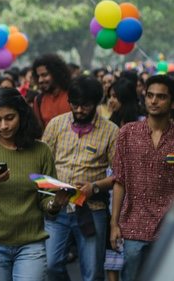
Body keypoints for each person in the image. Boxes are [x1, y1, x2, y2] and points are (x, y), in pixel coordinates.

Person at [0, 87, 69, 281]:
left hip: (31, 243)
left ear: (22, 115)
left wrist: (55, 203)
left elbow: (45, 201)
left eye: (10, 117)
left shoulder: (41, 151)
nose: (4, 126)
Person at [41, 76, 119, 281]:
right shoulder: (56, 125)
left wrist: (93, 187)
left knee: (93, 273)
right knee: (50, 265)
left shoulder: (111, 131)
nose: (79, 110)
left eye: (85, 106)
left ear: (96, 103)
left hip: (92, 209)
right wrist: (50, 187)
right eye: (74, 105)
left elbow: (121, 175)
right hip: (58, 207)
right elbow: (41, 163)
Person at [110, 75, 174, 281]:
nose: (154, 101)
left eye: (161, 97)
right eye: (150, 95)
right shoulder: (127, 133)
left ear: (172, 102)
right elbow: (119, 181)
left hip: (168, 227)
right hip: (133, 224)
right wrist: (114, 223)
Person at [105, 78, 141, 281]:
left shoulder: (142, 123)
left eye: (115, 96)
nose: (111, 101)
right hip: (111, 185)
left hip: (134, 188)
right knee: (113, 238)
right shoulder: (109, 123)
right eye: (109, 96)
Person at [32, 53, 73, 128]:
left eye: (44, 75)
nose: (40, 80)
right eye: (38, 76)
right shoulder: (38, 100)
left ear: (56, 73)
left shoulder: (73, 95)